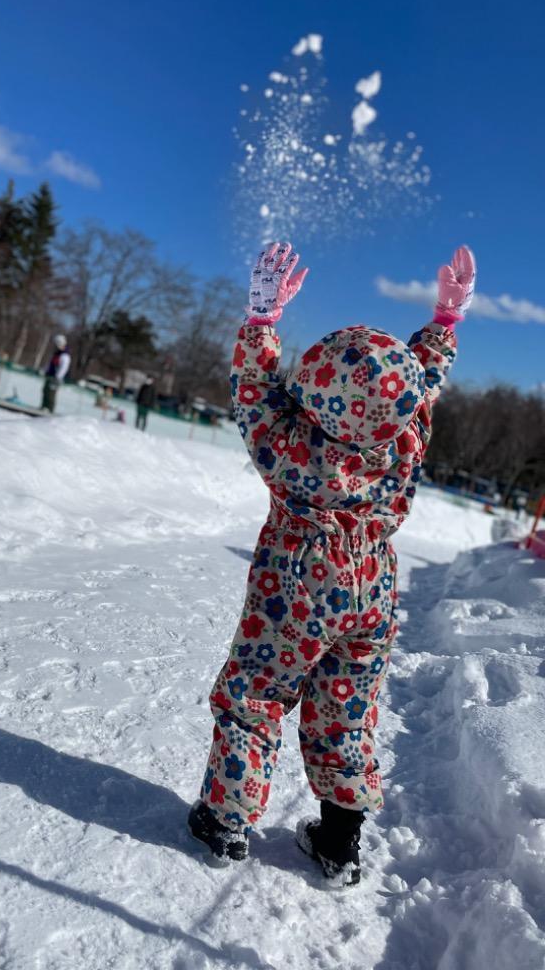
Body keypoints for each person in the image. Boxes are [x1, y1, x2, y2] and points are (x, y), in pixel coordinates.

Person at [188, 240, 475, 886]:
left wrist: (262, 323)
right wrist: (446, 322)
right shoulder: (404, 433)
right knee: (347, 707)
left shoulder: (291, 446)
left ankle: (227, 820)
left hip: (300, 578)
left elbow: (256, 394)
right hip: (372, 581)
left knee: (258, 691)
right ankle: (340, 841)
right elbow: (420, 379)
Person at [41, 334, 71, 414]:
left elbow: (64, 368)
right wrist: (45, 370)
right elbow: (50, 364)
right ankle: (44, 407)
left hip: (55, 378)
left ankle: (49, 409)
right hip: (50, 375)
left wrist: (58, 377)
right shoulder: (57, 353)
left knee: (51, 394)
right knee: (45, 391)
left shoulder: (65, 355)